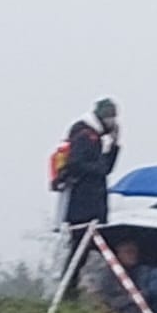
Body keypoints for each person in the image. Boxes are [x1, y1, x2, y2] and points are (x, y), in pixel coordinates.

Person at [57, 98, 121, 296]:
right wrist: (98, 169)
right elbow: (76, 164)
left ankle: (70, 290)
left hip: (94, 202)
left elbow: (106, 169)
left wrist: (114, 146)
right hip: (83, 203)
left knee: (83, 251)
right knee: (79, 249)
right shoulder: (84, 134)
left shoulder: (98, 138)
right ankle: (68, 290)